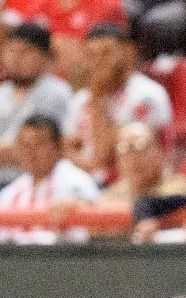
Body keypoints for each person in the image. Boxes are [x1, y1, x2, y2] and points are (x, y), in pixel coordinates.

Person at [61, 22, 172, 183]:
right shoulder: (81, 98)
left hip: (135, 184)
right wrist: (85, 166)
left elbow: (104, 158)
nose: (98, 62)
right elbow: (65, 148)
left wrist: (97, 101)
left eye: (106, 53)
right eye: (92, 55)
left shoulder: (146, 95)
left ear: (128, 52)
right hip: (90, 183)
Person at [0, 114, 100, 243]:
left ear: (58, 146)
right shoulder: (11, 191)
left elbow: (93, 224)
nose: (30, 152)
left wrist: (76, 206)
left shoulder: (77, 181)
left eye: (39, 144)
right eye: (24, 145)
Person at [0, 23, 73, 187]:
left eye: (26, 52)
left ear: (45, 57)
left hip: (37, 180)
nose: (16, 58)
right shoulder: (3, 92)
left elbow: (28, 148)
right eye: (11, 50)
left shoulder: (55, 92)